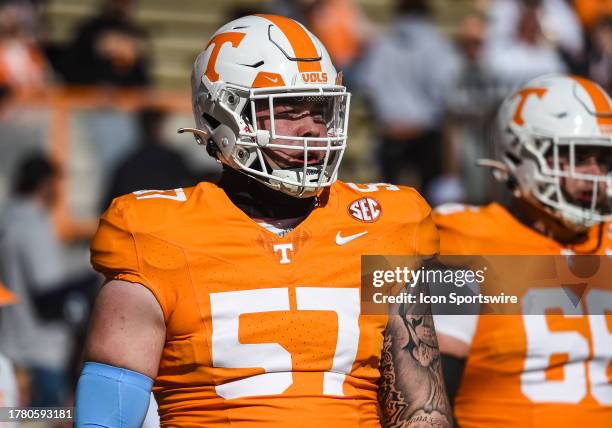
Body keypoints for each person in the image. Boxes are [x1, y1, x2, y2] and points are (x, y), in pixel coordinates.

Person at [75, 14, 451, 427]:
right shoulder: (154, 231)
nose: (312, 129)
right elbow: (106, 416)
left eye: (321, 110)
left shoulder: (385, 224)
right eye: (289, 109)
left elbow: (422, 409)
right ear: (223, 117)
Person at [433, 74, 612, 426]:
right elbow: (425, 392)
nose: (594, 174)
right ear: (522, 153)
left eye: (603, 159)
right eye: (577, 157)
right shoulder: (464, 238)